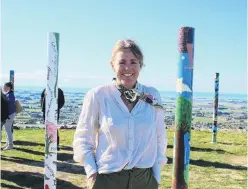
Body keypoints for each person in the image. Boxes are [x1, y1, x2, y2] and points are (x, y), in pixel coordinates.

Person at [73, 39, 168, 189]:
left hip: (145, 180)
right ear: (112, 65)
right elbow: (83, 138)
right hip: (108, 180)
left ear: (140, 65)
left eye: (133, 62)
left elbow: (160, 136)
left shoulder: (152, 95)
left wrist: (155, 176)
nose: (128, 68)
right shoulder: (98, 95)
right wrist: (92, 174)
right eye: (122, 62)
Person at [2, 82, 15, 150]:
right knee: (6, 130)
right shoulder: (9, 94)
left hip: (9, 115)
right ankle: (8, 144)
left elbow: (9, 107)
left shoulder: (10, 95)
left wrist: (6, 116)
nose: (4, 88)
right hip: (8, 115)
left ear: (8, 87)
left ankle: (10, 145)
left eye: (5, 87)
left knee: (8, 130)